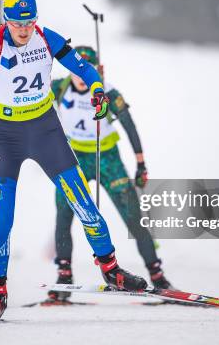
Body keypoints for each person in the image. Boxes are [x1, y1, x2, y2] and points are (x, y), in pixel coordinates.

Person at [0, 0, 147, 320]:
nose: (23, 29)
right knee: (2, 220)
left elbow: (82, 67)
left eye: (29, 22)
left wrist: (97, 90)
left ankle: (111, 270)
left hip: (46, 130)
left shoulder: (46, 38)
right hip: (6, 137)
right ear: (6, 20)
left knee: (82, 202)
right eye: (17, 23)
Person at [45, 46, 174, 302]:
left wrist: (140, 163)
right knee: (63, 216)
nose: (80, 75)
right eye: (75, 69)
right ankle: (64, 278)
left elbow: (128, 123)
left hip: (107, 158)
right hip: (74, 158)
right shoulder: (58, 87)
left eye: (87, 69)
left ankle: (158, 276)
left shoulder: (106, 90)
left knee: (133, 216)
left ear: (96, 69)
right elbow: (26, 101)